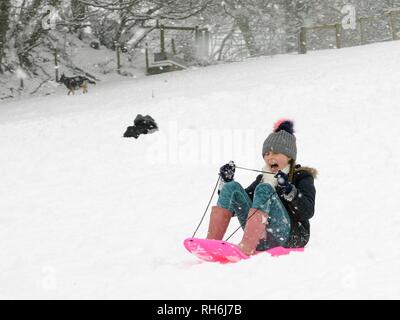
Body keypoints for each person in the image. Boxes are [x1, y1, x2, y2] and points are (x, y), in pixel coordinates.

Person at [206, 119, 317, 256]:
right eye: (266, 154)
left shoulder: (301, 176)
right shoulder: (263, 178)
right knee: (232, 188)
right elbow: (237, 207)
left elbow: (307, 211)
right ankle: (211, 243)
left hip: (291, 236)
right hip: (261, 237)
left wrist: (289, 190)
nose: (270, 157)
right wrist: (226, 181)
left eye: (275, 153)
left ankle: (246, 246)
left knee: (264, 189)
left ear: (289, 156)